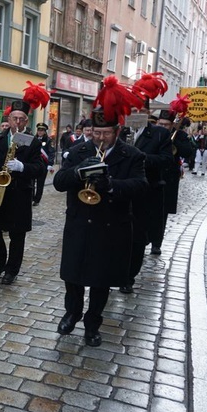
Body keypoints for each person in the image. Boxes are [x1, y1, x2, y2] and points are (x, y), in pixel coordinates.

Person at [53, 90, 147, 347]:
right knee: (72, 276)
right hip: (79, 223)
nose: (100, 138)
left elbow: (140, 187)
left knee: (100, 280)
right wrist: (77, 172)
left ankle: (93, 323)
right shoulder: (78, 150)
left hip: (111, 227)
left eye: (105, 134)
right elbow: (59, 183)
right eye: (96, 133)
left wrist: (110, 185)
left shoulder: (132, 155)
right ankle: (71, 313)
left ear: (117, 131)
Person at [0, 84, 46, 285]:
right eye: (14, 118)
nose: (17, 122)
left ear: (26, 121)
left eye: (21, 119)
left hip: (20, 194)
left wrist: (22, 167)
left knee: (17, 235)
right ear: (8, 119)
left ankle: (12, 269)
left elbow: (39, 168)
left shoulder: (33, 142)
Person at [124, 79, 173, 291]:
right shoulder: (120, 131)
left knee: (137, 239)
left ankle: (128, 278)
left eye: (140, 110)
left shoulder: (160, 134)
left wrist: (141, 157)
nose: (136, 113)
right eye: (132, 109)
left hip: (146, 193)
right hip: (120, 191)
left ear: (147, 111)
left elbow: (166, 160)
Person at [155, 106, 193, 253]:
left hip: (169, 177)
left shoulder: (180, 136)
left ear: (172, 125)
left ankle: (157, 243)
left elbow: (188, 151)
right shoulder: (152, 133)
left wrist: (174, 142)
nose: (163, 127)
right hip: (153, 175)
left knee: (163, 211)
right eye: (161, 124)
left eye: (166, 125)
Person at [33, 122, 55, 206]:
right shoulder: (34, 138)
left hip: (43, 165)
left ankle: (37, 200)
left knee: (40, 183)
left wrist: (50, 163)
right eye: (39, 130)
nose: (40, 132)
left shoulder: (48, 140)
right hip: (34, 163)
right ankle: (31, 197)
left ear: (45, 131)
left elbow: (51, 152)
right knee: (31, 182)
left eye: (42, 130)